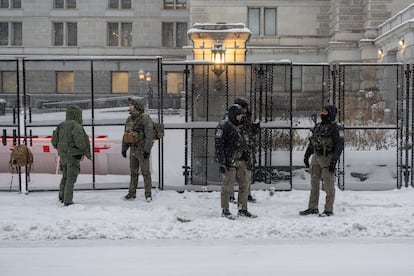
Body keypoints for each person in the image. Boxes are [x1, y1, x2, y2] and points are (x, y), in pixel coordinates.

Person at [300, 105, 344, 217]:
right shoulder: (319, 126)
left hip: (327, 158)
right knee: (314, 183)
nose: (323, 113)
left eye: (325, 111)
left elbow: (339, 146)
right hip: (316, 157)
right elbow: (312, 142)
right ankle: (312, 207)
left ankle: (328, 210)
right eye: (322, 111)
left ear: (331, 113)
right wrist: (307, 155)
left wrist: (333, 161)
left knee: (329, 185)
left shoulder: (336, 128)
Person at [215, 104, 257, 219]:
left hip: (241, 159)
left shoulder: (241, 125)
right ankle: (225, 209)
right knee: (227, 186)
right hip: (229, 161)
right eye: (239, 115)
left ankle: (242, 209)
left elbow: (247, 140)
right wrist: (222, 162)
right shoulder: (223, 127)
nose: (240, 118)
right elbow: (219, 146)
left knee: (245, 184)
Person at [51, 105, 91, 206]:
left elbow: (54, 141)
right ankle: (68, 200)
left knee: (65, 176)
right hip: (73, 156)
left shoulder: (61, 125)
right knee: (71, 178)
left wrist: (61, 149)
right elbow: (80, 142)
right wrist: (83, 151)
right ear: (78, 115)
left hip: (63, 156)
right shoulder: (76, 126)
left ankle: (62, 195)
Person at [122, 97, 154, 202]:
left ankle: (148, 194)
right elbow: (126, 135)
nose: (129, 107)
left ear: (137, 106)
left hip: (142, 149)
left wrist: (147, 150)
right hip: (133, 149)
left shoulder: (145, 119)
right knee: (133, 172)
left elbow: (150, 136)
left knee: (146, 172)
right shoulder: (129, 119)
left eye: (131, 105)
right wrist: (124, 148)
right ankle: (132, 193)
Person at [233, 97, 260, 203]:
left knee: (247, 173)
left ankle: (247, 194)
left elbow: (250, 133)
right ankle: (232, 195)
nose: (246, 110)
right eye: (244, 107)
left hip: (247, 148)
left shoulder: (247, 117)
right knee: (232, 173)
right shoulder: (233, 117)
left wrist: (254, 128)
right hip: (237, 149)